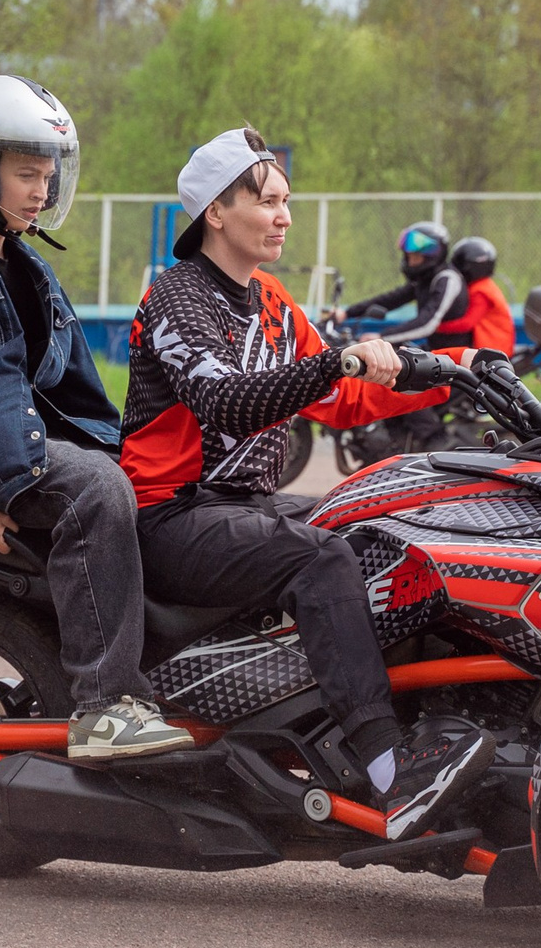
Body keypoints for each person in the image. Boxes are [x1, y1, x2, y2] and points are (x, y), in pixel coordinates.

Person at [123, 127, 497, 841]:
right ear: (215, 212)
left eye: (286, 201)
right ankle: (388, 767)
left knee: (386, 527)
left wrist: (456, 370)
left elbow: (343, 398)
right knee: (319, 558)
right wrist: (335, 362)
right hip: (172, 517)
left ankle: (414, 721)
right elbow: (227, 401)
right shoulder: (175, 298)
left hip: (245, 506)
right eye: (268, 202)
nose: (284, 216)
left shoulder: (269, 299)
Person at [0, 75, 192, 762]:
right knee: (96, 489)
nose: (41, 191)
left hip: (33, 445)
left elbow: (78, 390)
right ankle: (106, 706)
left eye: (48, 176)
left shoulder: (25, 263)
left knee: (159, 487)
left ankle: (180, 677)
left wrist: (139, 452)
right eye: (25, 174)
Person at [344, 222, 469, 349]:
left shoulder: (447, 279)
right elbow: (391, 299)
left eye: (415, 257)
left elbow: (427, 323)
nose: (410, 262)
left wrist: (382, 336)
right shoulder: (425, 279)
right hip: (436, 350)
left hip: (454, 355)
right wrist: (346, 313)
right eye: (409, 257)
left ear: (432, 255)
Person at [442, 236, 518, 357]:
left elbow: (467, 323)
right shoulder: (484, 284)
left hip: (495, 350)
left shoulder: (481, 292)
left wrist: (438, 327)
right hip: (494, 346)